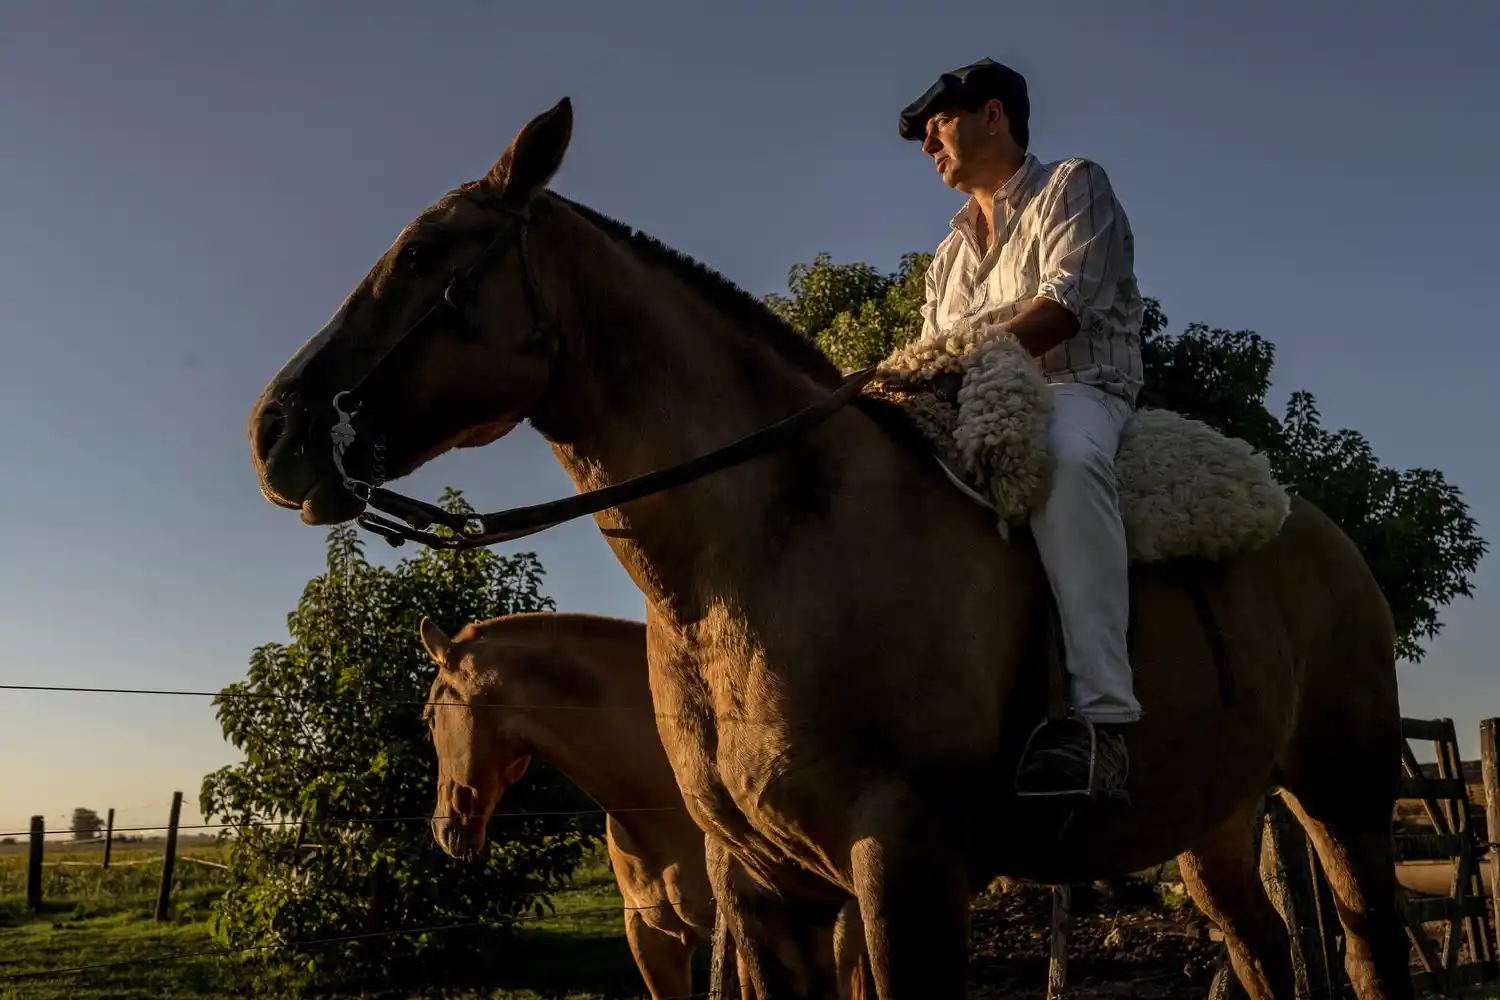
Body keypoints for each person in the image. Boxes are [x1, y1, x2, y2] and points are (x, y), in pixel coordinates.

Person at [897, 57, 1145, 798]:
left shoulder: (1074, 186)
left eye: (937, 123)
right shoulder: (946, 257)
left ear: (994, 115)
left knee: (1066, 462)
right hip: (971, 402)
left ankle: (1103, 724)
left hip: (1075, 388)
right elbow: (926, 349)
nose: (927, 145)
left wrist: (953, 362)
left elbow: (1062, 309)